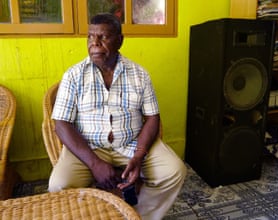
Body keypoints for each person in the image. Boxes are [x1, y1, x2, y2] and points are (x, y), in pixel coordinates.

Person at [48, 13, 187, 220]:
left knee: (174, 171)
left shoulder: (139, 74)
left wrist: (139, 156)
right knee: (59, 184)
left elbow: (152, 117)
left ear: (120, 40)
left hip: (131, 145)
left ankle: (138, 216)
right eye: (90, 37)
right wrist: (95, 164)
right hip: (89, 147)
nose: (94, 44)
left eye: (103, 37)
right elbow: (61, 124)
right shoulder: (73, 75)